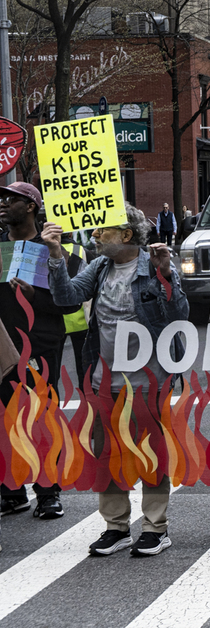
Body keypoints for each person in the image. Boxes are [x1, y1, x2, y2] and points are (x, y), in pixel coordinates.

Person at [44, 204, 189, 557]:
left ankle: (155, 528)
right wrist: (55, 255)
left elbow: (179, 315)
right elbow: (66, 298)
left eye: (102, 229)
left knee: (150, 453)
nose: (94, 235)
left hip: (149, 381)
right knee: (108, 453)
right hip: (104, 380)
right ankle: (116, 527)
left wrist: (166, 275)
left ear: (126, 234)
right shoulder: (100, 266)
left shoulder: (153, 265)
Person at [0, 182, 83, 519]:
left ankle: (48, 493)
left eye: (11, 199)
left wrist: (35, 297)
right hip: (3, 349)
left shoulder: (53, 249)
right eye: (2, 199)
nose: (3, 204)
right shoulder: (0, 247)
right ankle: (11, 491)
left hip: (40, 345)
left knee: (42, 420)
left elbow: (70, 303)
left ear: (32, 206)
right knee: (5, 421)